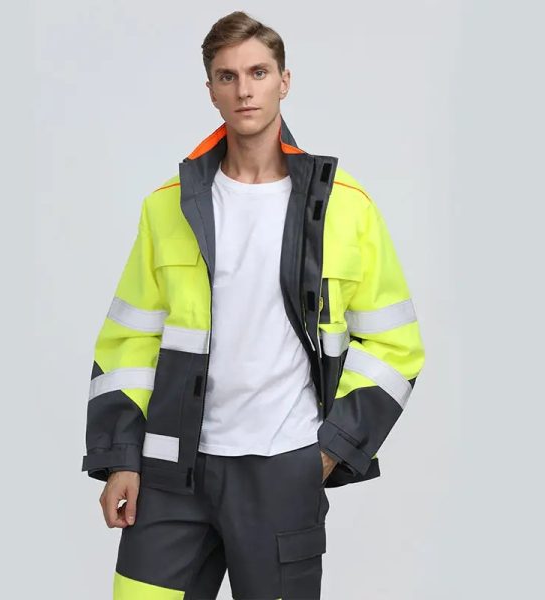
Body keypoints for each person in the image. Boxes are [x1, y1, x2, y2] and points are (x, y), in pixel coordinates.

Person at [81, 10, 425, 600]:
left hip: (281, 469)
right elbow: (129, 341)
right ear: (211, 90)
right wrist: (121, 458)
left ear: (284, 81)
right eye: (228, 76)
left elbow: (395, 345)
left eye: (258, 73)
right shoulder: (168, 207)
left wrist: (328, 453)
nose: (244, 90)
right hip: (172, 472)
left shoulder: (345, 207)